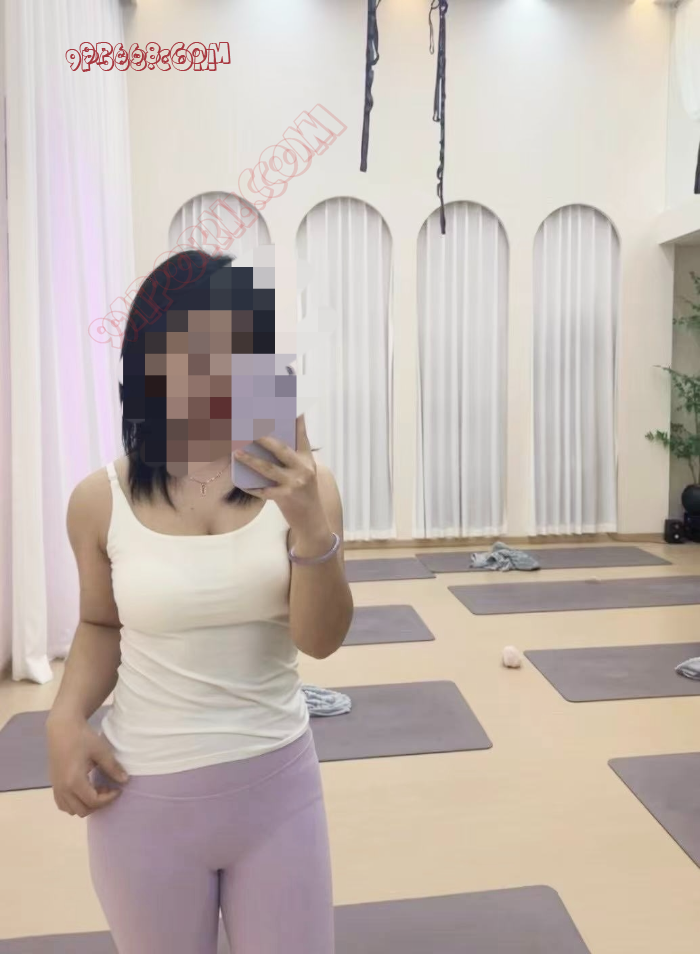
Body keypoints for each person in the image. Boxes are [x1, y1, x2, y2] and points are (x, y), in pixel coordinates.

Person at [45, 250, 353, 954]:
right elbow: (99, 623)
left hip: (278, 788)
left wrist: (310, 524)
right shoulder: (99, 500)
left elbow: (320, 640)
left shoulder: (308, 487)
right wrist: (64, 718)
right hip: (140, 797)